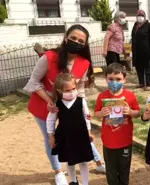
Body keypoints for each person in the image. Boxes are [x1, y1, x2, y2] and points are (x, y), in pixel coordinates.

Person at [24, 24, 105, 185]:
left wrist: (82, 108)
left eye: (81, 41)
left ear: (85, 45)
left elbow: (80, 88)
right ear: (66, 38)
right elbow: (33, 82)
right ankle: (58, 171)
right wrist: (51, 102)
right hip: (45, 105)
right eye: (73, 38)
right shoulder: (48, 57)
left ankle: (98, 162)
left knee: (80, 133)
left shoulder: (83, 63)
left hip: (71, 105)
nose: (76, 42)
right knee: (51, 138)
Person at [94, 63, 140, 185]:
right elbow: (96, 113)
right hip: (109, 142)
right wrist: (102, 113)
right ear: (106, 79)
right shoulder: (102, 96)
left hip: (125, 142)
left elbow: (137, 113)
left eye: (118, 79)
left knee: (124, 170)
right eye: (111, 79)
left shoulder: (130, 96)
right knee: (111, 171)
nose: (114, 82)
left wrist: (130, 112)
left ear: (124, 79)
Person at [47, 73, 94, 185]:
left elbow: (87, 117)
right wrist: (51, 136)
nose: (72, 92)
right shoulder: (57, 104)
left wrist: (89, 132)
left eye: (73, 88)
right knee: (70, 161)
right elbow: (50, 120)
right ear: (59, 91)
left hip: (81, 135)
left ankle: (85, 182)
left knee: (83, 161)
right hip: (65, 136)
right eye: (67, 90)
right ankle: (73, 181)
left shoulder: (81, 101)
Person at [131, 10, 150, 91]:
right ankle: (141, 83)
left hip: (147, 51)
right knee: (139, 67)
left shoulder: (149, 26)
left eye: (142, 15)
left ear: (145, 16)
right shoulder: (135, 25)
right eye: (138, 15)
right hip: (137, 51)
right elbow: (133, 37)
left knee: (147, 68)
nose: (140, 17)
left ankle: (149, 84)